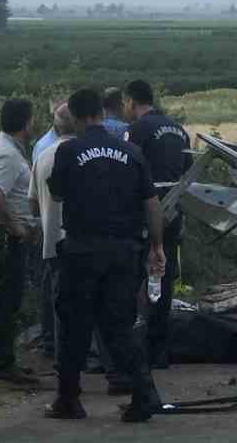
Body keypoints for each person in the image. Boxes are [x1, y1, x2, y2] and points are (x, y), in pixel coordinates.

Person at [46, 88, 167, 421]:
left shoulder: (69, 151)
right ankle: (144, 394)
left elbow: (56, 194)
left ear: (75, 116)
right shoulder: (131, 151)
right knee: (120, 324)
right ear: (100, 112)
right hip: (124, 251)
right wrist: (156, 247)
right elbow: (152, 203)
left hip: (82, 249)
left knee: (74, 325)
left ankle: (68, 399)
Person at [123, 79, 193, 370]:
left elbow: (126, 169)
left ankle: (131, 349)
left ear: (130, 101)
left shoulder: (137, 130)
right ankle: (158, 349)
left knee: (131, 277)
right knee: (164, 277)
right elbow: (189, 173)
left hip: (144, 213)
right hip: (174, 212)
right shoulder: (179, 130)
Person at [0, 98, 39, 387]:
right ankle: (1, 363)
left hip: (2, 233)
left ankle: (5, 359)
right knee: (6, 298)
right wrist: (15, 227)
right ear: (26, 122)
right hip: (7, 237)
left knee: (5, 297)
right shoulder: (8, 155)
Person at [29, 102, 77, 370]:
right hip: (85, 241)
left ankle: (58, 356)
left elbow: (33, 204)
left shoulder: (43, 156)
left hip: (53, 243)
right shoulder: (88, 154)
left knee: (57, 300)